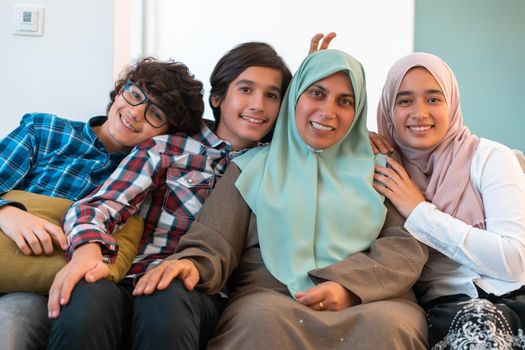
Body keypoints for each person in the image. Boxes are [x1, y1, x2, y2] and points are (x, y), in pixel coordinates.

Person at [135, 49, 429, 349]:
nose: (328, 112)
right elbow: (214, 238)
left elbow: (405, 246)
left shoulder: (381, 165)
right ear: (295, 98)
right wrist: (193, 263)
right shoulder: (250, 166)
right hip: (273, 298)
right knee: (260, 321)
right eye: (316, 93)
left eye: (345, 101)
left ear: (358, 111)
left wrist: (349, 287)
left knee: (389, 328)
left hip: (373, 298)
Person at [47, 42, 292, 350]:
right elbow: (98, 207)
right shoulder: (168, 148)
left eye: (272, 95)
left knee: (166, 297)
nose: (258, 104)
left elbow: (324, 134)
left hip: (196, 293)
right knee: (87, 295)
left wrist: (365, 137)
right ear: (217, 98)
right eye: (246, 89)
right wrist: (87, 252)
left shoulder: (277, 163)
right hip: (132, 276)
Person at [0, 57, 204, 350]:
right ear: (120, 90)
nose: (135, 113)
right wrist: (8, 213)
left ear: (167, 135)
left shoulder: (147, 177)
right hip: (12, 276)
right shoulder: (45, 131)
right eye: (134, 95)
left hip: (67, 293)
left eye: (155, 114)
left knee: (19, 319)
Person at [373, 52, 525, 349]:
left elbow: (515, 260)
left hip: (516, 295)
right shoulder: (385, 169)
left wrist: (419, 212)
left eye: (433, 99)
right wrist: (352, 143)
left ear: (451, 103)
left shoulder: (490, 158)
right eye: (404, 101)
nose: (419, 113)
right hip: (449, 308)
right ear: (388, 110)